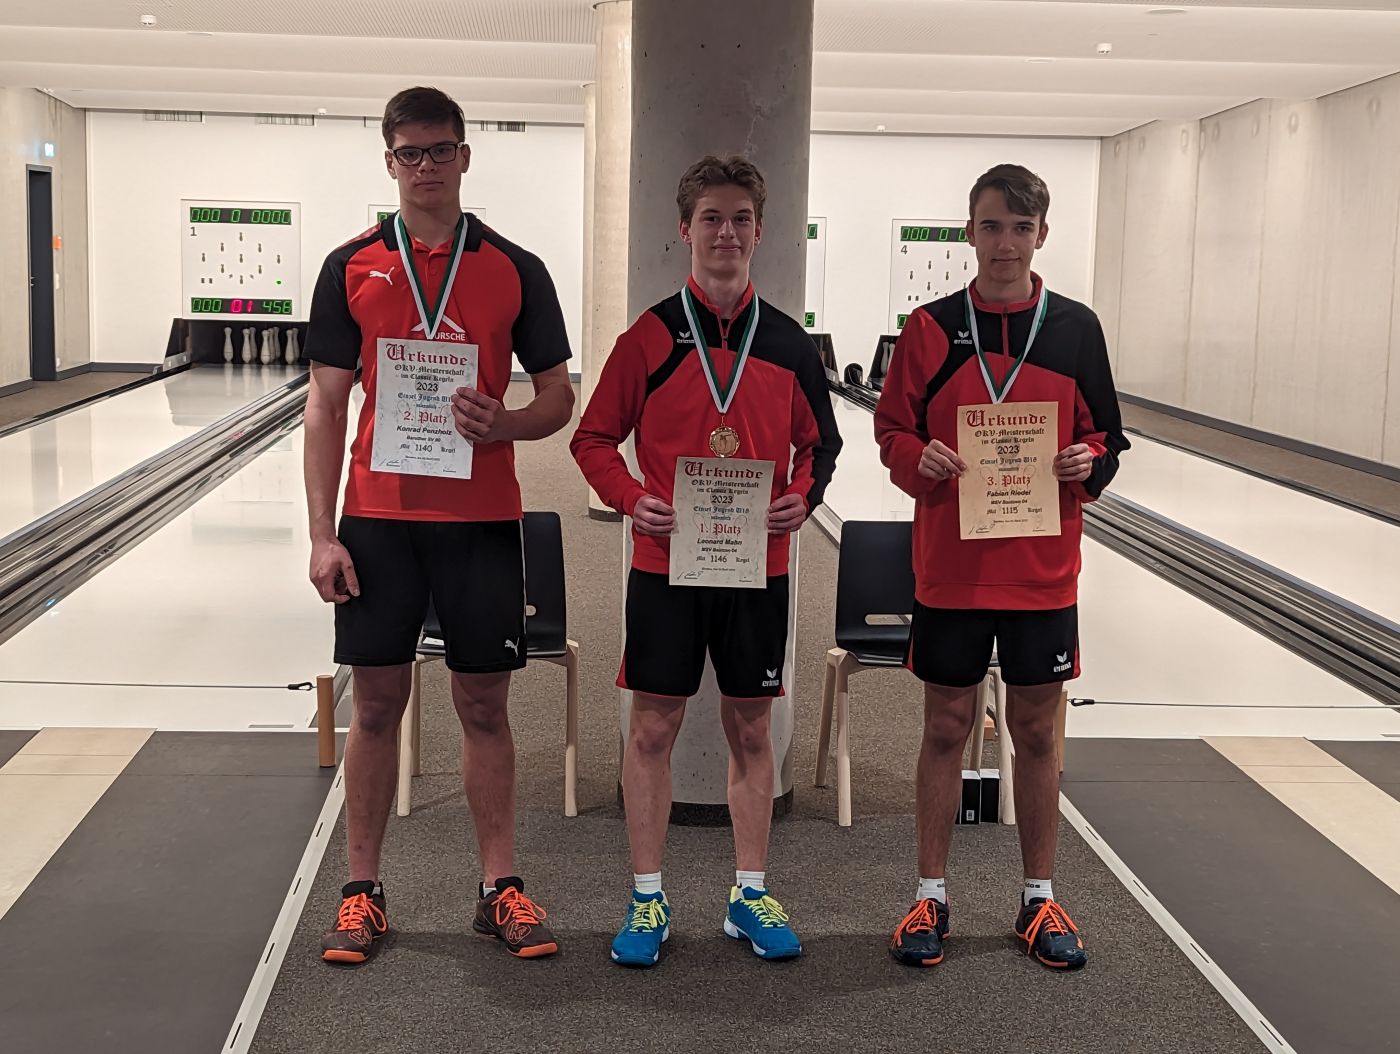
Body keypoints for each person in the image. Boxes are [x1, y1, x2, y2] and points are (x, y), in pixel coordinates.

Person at [303, 86, 574, 964]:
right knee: (377, 703)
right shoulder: (349, 267)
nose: (427, 166)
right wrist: (322, 533)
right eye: (410, 152)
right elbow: (324, 405)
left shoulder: (516, 268)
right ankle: (361, 891)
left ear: (465, 155)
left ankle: (500, 888)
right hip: (378, 520)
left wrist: (508, 423)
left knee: (484, 704)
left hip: (482, 519)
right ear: (389, 161)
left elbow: (558, 396)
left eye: (441, 149)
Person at [571, 155, 842, 967]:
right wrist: (630, 498)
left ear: (760, 231)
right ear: (684, 228)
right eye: (712, 219)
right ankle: (647, 899)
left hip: (757, 568)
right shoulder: (648, 338)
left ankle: (749, 893)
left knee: (752, 728)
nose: (727, 233)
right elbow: (593, 439)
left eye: (741, 219)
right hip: (667, 566)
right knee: (653, 727)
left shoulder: (788, 344)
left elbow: (821, 445)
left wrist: (802, 496)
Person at [874, 163, 1127, 971]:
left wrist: (1087, 460)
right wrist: (919, 458)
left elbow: (1109, 437)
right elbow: (891, 432)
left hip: (1040, 571)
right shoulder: (930, 328)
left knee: (1036, 733)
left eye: (1021, 228)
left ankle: (1038, 896)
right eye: (991, 226)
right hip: (951, 569)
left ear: (1042, 234)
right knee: (946, 727)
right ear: (970, 233)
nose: (1005, 243)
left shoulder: (1076, 328)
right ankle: (930, 895)